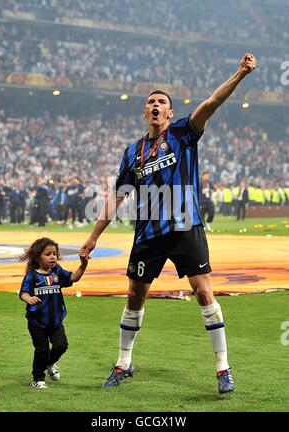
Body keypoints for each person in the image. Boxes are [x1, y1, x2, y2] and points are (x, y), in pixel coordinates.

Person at [80, 53, 257, 393]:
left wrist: (240, 75)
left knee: (204, 291)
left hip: (185, 226)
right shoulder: (132, 152)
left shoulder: (183, 133)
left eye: (162, 102)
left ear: (170, 112)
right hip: (148, 232)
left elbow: (211, 103)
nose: (156, 105)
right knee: (135, 296)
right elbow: (117, 197)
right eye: (151, 103)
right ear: (145, 113)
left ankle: (223, 368)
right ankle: (123, 363)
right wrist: (92, 238)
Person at [19, 237, 88, 389]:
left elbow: (73, 278)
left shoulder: (57, 271)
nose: (53, 257)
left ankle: (49, 364)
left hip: (56, 321)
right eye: (48, 254)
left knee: (61, 346)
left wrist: (84, 264)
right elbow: (23, 292)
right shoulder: (32, 275)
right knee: (42, 350)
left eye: (55, 254)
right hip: (37, 322)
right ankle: (38, 378)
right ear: (37, 257)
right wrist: (28, 298)